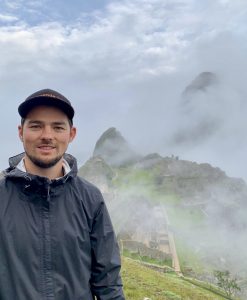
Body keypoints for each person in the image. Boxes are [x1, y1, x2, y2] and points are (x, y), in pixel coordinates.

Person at [0, 89, 125, 300]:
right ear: (21, 132)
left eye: (58, 127)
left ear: (71, 134)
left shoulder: (90, 199)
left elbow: (108, 282)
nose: (47, 135)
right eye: (36, 126)